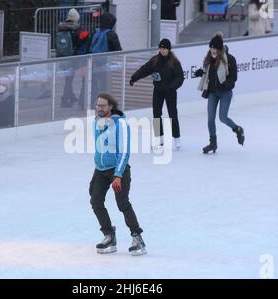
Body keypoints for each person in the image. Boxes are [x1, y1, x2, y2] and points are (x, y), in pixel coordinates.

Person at [90, 93, 146, 256]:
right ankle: (109, 235)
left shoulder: (120, 124)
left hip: (117, 170)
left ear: (111, 107)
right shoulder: (96, 121)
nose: (99, 108)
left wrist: (118, 175)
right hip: (100, 169)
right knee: (96, 200)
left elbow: (124, 152)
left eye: (103, 106)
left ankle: (138, 238)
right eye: (98, 105)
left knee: (122, 203)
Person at [194, 32, 245, 154]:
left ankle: (237, 129)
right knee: (210, 119)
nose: (213, 50)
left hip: (225, 93)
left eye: (215, 48)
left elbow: (233, 78)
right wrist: (201, 72)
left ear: (220, 49)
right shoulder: (208, 60)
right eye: (211, 47)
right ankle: (213, 143)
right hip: (212, 93)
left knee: (222, 117)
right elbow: (207, 72)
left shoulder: (230, 59)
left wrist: (225, 85)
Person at [130, 38, 184, 150]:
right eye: (161, 48)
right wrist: (134, 77)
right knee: (156, 114)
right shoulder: (155, 60)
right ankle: (159, 138)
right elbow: (144, 69)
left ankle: (176, 138)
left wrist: (172, 87)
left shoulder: (174, 62)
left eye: (165, 48)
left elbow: (179, 77)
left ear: (169, 49)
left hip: (170, 92)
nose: (163, 50)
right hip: (158, 90)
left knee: (172, 114)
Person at [89, 12, 122, 109]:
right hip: (105, 63)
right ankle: (105, 105)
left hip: (92, 62)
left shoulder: (95, 31)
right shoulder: (111, 34)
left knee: (93, 84)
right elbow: (118, 51)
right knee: (104, 85)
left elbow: (88, 46)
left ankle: (92, 104)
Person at [56, 8, 82, 108]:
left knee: (68, 78)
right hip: (71, 57)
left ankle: (71, 96)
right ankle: (64, 100)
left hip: (61, 57)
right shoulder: (75, 29)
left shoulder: (61, 27)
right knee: (69, 80)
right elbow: (76, 44)